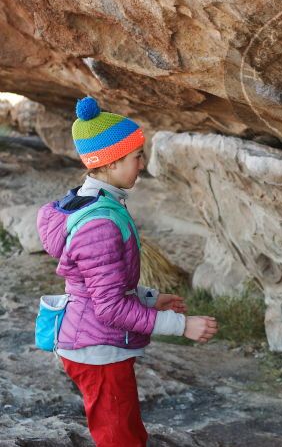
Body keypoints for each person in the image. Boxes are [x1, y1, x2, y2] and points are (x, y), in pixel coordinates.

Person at [36, 97, 218, 446]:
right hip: (97, 348)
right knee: (120, 438)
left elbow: (103, 285)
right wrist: (182, 326)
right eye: (137, 156)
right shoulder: (100, 223)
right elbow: (109, 307)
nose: (142, 163)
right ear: (111, 161)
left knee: (125, 430)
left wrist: (150, 298)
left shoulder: (92, 203)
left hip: (93, 339)